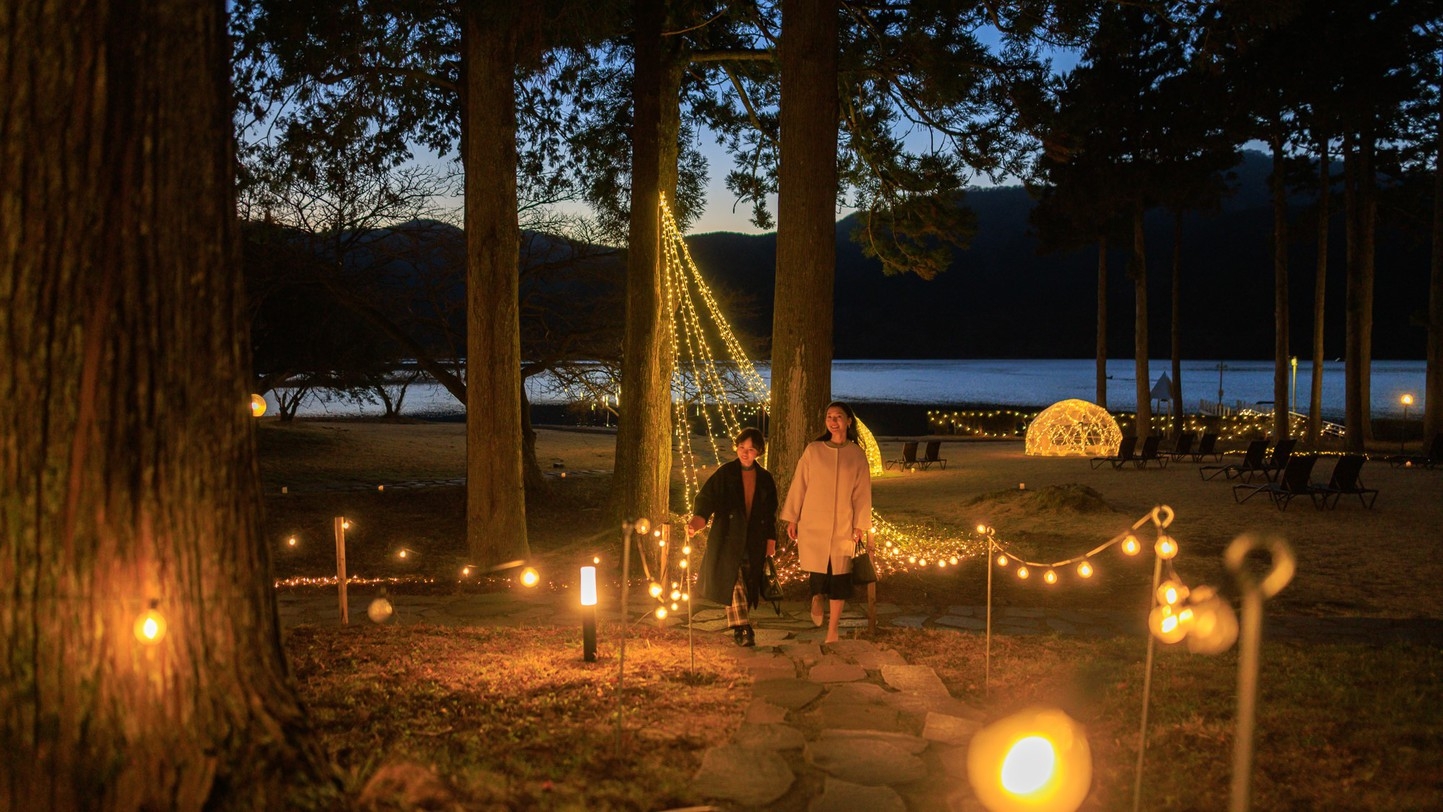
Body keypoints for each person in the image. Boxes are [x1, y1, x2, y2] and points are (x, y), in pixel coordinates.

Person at [780, 401, 873, 644]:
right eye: (829, 416)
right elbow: (799, 484)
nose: (833, 421)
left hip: (844, 524)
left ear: (848, 421)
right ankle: (817, 596)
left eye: (838, 416)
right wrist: (792, 517)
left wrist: (859, 525)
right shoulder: (814, 450)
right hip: (814, 521)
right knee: (818, 567)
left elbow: (862, 493)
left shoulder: (856, 455)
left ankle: (833, 630)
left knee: (840, 575)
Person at [686, 427, 778, 647]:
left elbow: (770, 513)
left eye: (751, 449)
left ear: (758, 452)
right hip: (728, 537)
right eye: (741, 447)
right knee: (733, 581)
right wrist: (698, 520)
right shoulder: (726, 473)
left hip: (754, 539)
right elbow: (707, 498)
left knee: (747, 581)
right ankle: (742, 628)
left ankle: (741, 625)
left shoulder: (765, 479)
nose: (745, 452)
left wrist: (770, 540)